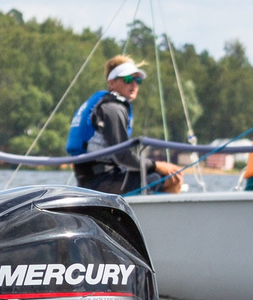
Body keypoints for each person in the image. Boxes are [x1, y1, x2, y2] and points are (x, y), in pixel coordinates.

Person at [71, 59, 187, 197]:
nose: (134, 84)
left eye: (137, 80)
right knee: (173, 178)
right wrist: (157, 165)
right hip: (102, 181)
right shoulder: (113, 108)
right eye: (128, 79)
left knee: (156, 176)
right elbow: (123, 156)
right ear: (112, 83)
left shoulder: (106, 104)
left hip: (93, 179)